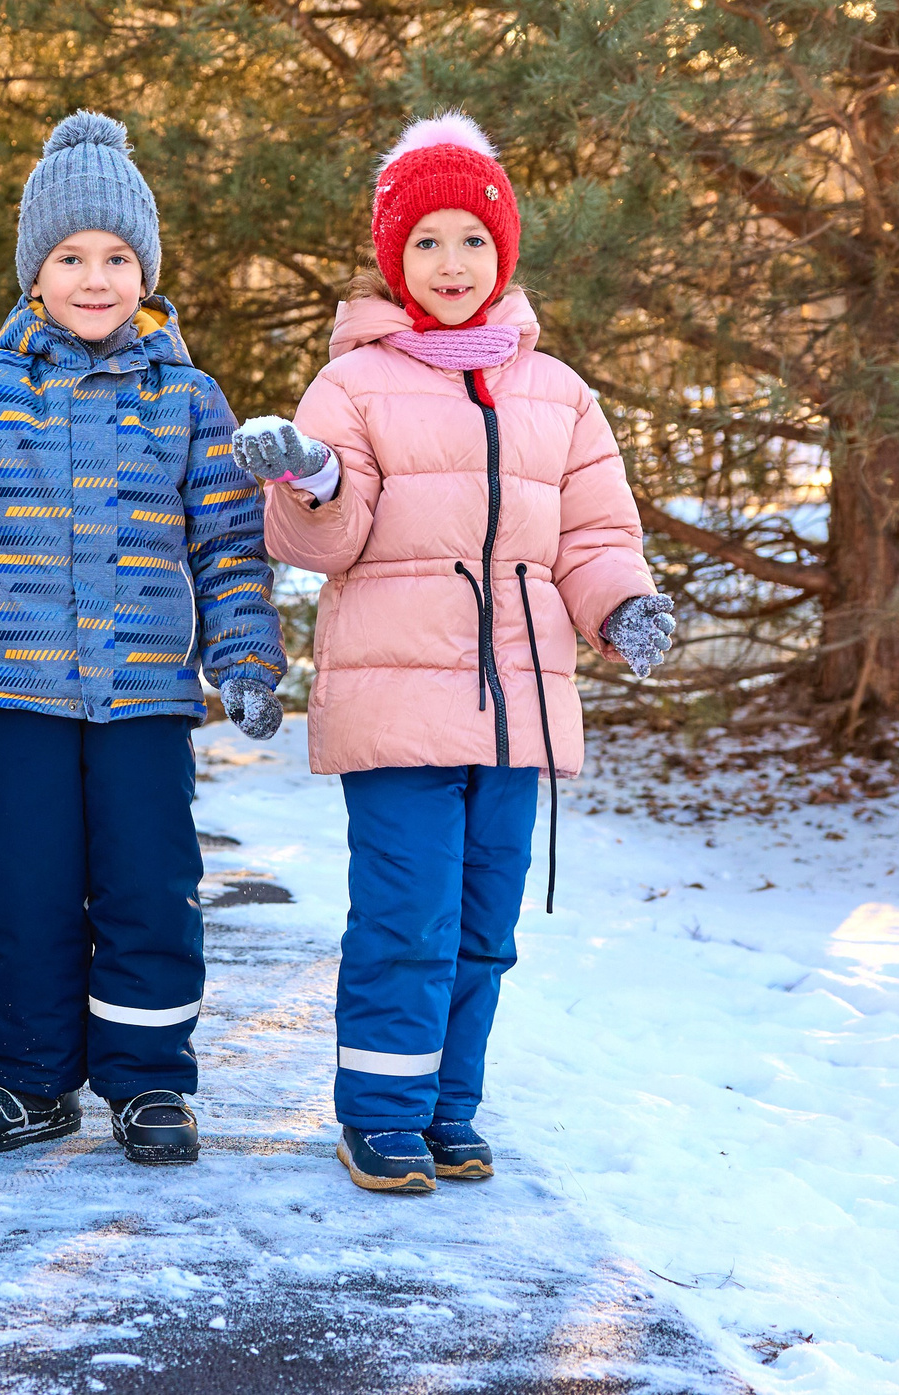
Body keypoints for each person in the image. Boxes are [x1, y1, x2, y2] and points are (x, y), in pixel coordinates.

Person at [228, 112, 675, 1194]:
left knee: (484, 926)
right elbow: (316, 542)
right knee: (408, 914)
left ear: (502, 251)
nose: (450, 264)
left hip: (518, 709)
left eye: (471, 239)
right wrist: (314, 479)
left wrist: (620, 606)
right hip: (395, 708)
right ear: (394, 258)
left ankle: (446, 1109)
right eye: (424, 241)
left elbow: (594, 534)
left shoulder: (557, 392)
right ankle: (379, 1113)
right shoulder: (352, 386)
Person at [0, 110, 287, 1167]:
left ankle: (147, 1083)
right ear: (35, 275)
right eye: (71, 257)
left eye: (117, 257)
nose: (95, 276)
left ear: (147, 272)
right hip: (18, 697)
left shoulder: (189, 400)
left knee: (147, 890)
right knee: (24, 893)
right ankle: (29, 1080)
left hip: (142, 702)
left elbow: (226, 545)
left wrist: (248, 660)